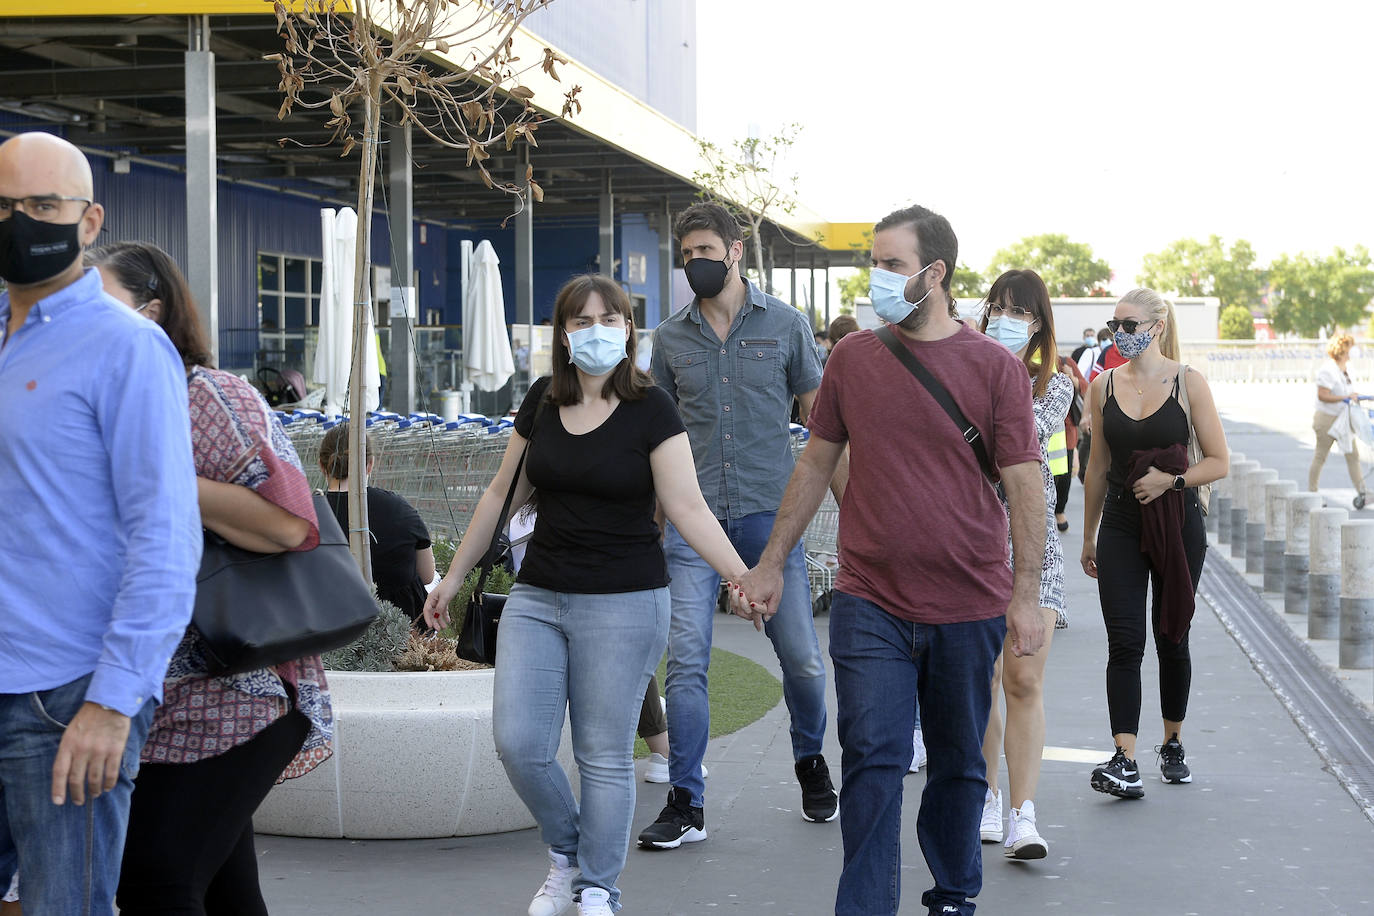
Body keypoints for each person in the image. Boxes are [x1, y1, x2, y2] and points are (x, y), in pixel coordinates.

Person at [737, 204, 1046, 916]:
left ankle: (953, 895)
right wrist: (771, 562)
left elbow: (1025, 484)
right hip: (869, 599)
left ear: (934, 274)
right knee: (872, 761)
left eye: (891, 264)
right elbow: (815, 463)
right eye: (873, 262)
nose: (876, 276)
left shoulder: (995, 368)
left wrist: (1025, 596)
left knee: (959, 764)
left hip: (968, 602)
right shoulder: (853, 358)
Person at [423, 275, 753, 916]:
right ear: (563, 333)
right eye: (580, 321)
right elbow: (500, 494)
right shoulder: (543, 399)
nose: (595, 331)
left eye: (608, 319)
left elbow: (687, 506)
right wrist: (453, 577)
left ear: (628, 329)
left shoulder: (652, 409)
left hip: (625, 601)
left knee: (602, 754)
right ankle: (569, 853)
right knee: (519, 744)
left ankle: (599, 885)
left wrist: (743, 577)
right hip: (538, 597)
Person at [87, 241, 335, 913]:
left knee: (156, 879)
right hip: (150, 695)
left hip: (237, 685)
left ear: (151, 312)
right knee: (224, 890)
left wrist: (157, 473)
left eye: (98, 302)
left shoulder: (209, 395)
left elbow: (291, 524)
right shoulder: (91, 404)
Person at [0, 133, 201, 914]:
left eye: (42, 205)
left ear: (89, 222)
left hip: (65, 698)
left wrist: (114, 702)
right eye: (3, 206)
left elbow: (166, 537)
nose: (19, 221)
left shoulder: (126, 348)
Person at [640, 202, 842, 850]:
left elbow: (824, 428)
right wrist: (650, 525)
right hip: (692, 524)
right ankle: (686, 800)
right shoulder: (670, 340)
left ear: (735, 250)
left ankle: (810, 759)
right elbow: (656, 438)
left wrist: (859, 514)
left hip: (769, 520)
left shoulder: (786, 325)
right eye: (686, 254)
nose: (694, 262)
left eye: (705, 250)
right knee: (686, 662)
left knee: (802, 661)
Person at [1080, 288, 1229, 799]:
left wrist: (1173, 480)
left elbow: (1219, 461)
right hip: (1121, 523)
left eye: (1129, 325)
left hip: (1177, 521)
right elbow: (1097, 467)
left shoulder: (1189, 382)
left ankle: (1172, 742)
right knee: (1124, 641)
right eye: (1114, 325)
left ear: (1157, 327)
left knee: (1172, 637)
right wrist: (1088, 535)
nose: (1120, 333)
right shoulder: (1102, 386)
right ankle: (1124, 758)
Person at [973, 270, 1072, 860]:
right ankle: (986, 797)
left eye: (1020, 312)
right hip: (976, 546)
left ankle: (1023, 814)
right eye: (998, 308)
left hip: (1035, 552)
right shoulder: (964, 371)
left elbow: (1018, 438)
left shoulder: (1056, 385)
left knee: (1024, 680)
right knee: (984, 681)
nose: (1006, 320)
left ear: (1038, 325)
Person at [318, 423, 436, 623]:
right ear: (370, 464)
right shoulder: (400, 509)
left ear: (322, 466)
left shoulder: (308, 514)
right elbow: (427, 575)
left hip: (328, 624)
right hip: (401, 628)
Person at [1308, 333, 1368, 509]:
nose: (1352, 351)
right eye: (1349, 348)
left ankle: (1362, 492)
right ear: (1341, 350)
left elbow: (1347, 392)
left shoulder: (1347, 369)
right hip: (1327, 419)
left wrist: (1352, 396)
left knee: (1353, 455)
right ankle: (1312, 493)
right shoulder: (1328, 370)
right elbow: (1323, 395)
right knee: (1321, 456)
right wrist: (1345, 397)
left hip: (1343, 419)